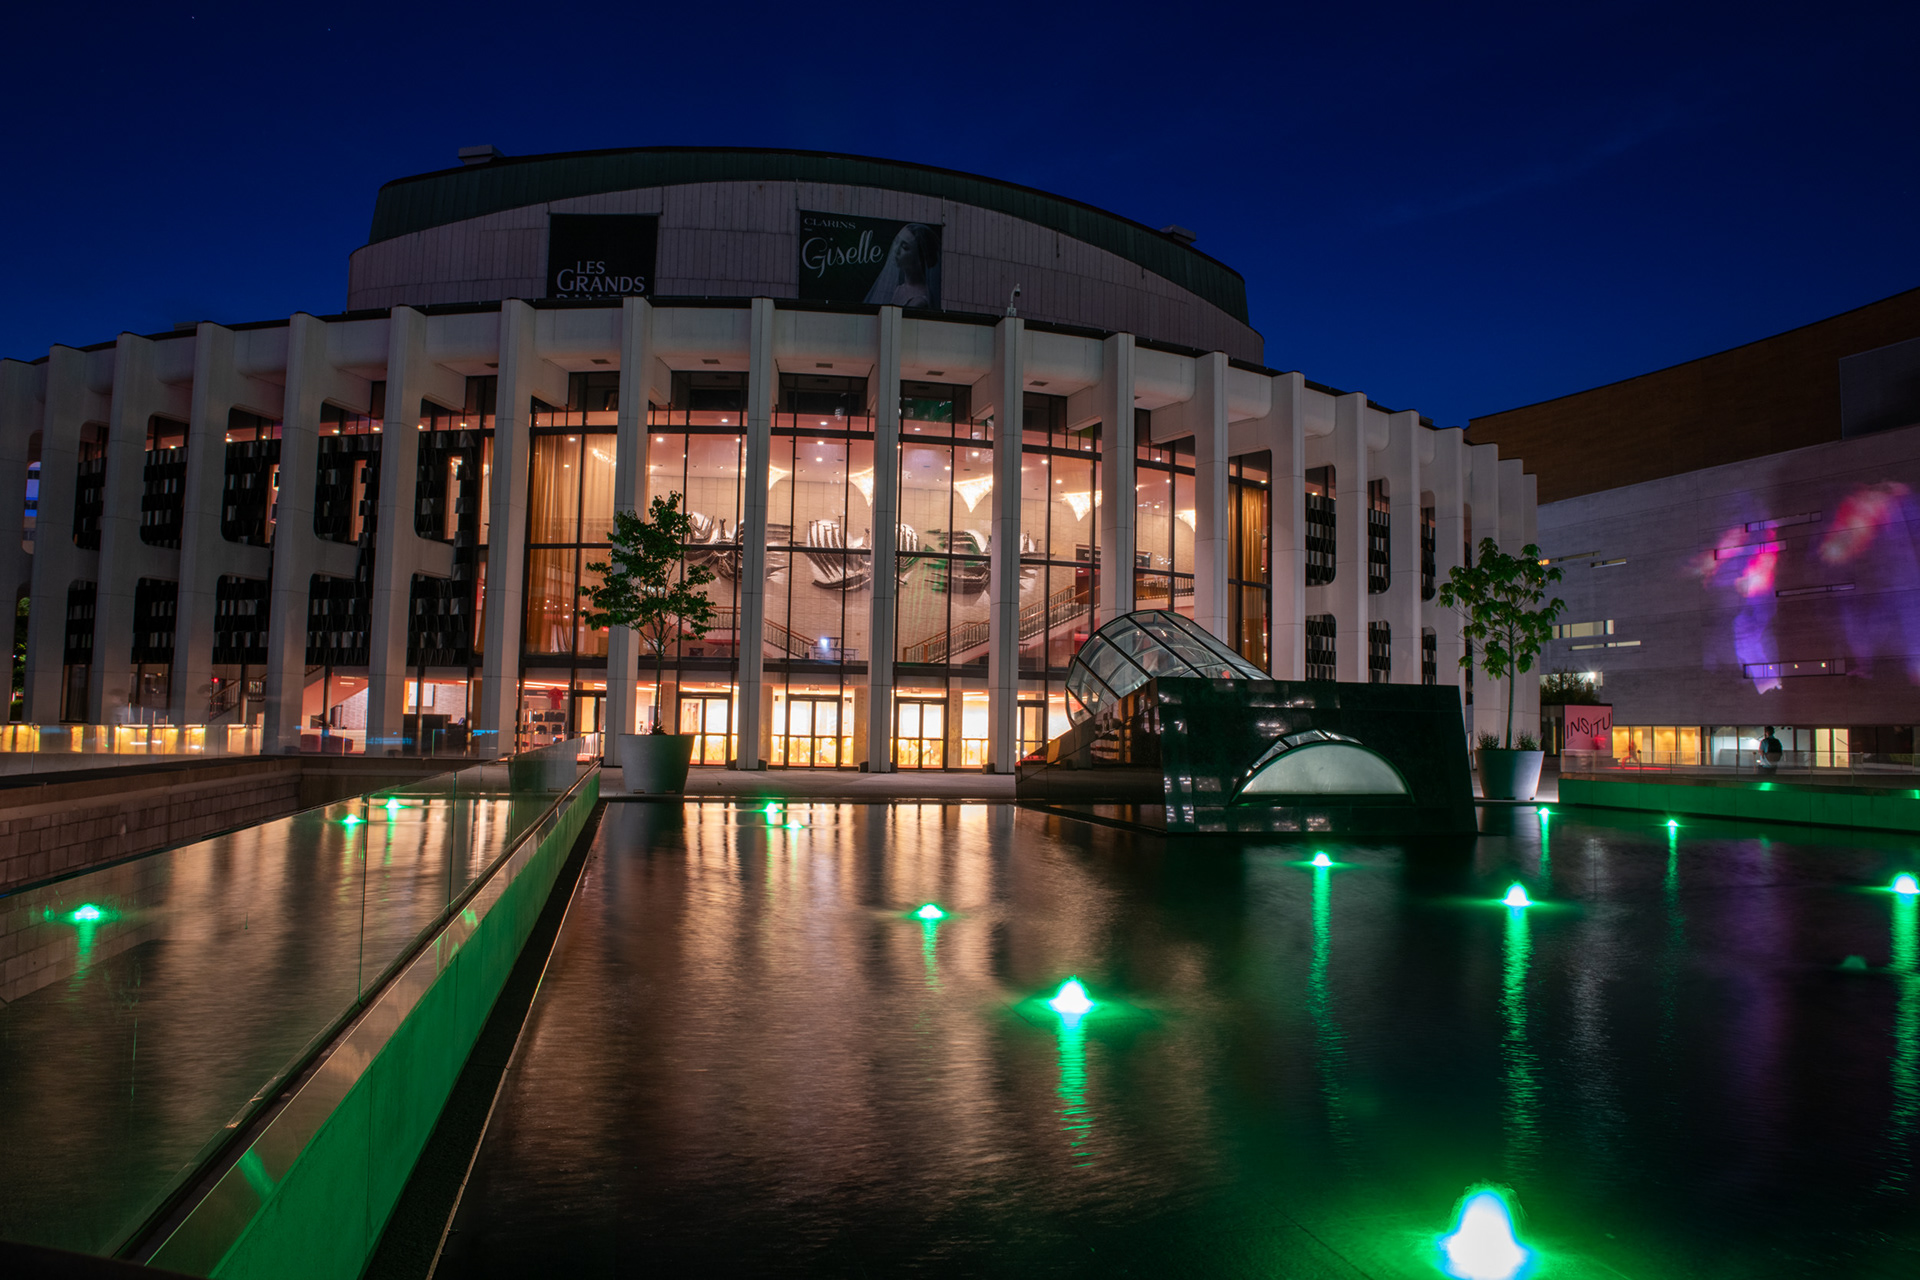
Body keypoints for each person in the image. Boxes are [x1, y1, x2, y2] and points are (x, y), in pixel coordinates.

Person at [864, 223, 938, 308]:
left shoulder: (919, 301)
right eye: (896, 242)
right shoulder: (900, 288)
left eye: (904, 247)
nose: (896, 250)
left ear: (919, 258)